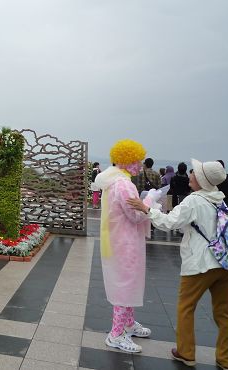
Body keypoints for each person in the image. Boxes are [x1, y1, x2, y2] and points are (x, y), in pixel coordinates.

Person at [127, 159, 228, 369]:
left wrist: (146, 209)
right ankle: (227, 359)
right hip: (224, 262)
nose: (191, 175)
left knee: (186, 307)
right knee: (225, 312)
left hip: (200, 263)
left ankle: (186, 352)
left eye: (195, 173)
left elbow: (169, 223)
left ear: (202, 180)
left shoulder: (194, 201)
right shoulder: (220, 200)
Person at [92, 139, 152, 353]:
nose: (140, 165)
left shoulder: (112, 180)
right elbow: (136, 215)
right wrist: (150, 202)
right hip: (126, 242)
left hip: (118, 239)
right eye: (138, 161)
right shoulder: (124, 184)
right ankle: (116, 334)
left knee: (127, 282)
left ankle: (128, 323)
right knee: (126, 285)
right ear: (128, 161)